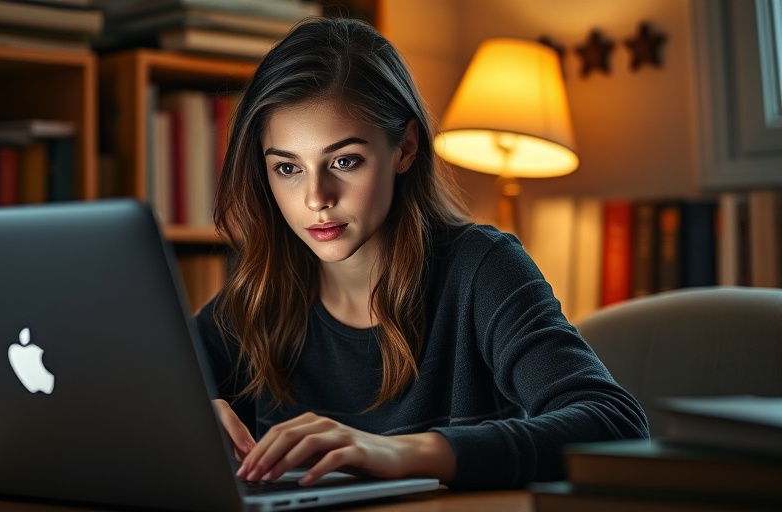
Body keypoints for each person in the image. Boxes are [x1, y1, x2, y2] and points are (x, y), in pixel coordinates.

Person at [194, 16, 648, 491]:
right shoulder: (259, 294)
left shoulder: (481, 268)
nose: (316, 199)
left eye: (345, 161)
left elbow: (616, 426)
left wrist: (403, 453)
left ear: (406, 148)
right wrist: (180, 417)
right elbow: (143, 395)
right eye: (288, 168)